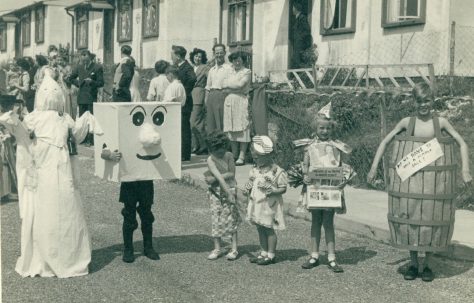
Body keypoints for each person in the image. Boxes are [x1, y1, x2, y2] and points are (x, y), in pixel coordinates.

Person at [367, 83, 472, 282]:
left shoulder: (440, 122)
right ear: (414, 101)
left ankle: (428, 265)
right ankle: (414, 264)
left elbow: (461, 142)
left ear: (432, 101)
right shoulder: (408, 122)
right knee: (410, 217)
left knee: (431, 219)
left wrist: (465, 170)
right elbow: (385, 142)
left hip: (435, 182)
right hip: (410, 182)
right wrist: (373, 167)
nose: (423, 105)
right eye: (419, 101)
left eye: (427, 100)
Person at [0, 74, 93, 278]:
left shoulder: (59, 118)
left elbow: (76, 134)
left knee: (63, 210)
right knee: (53, 211)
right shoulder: (45, 117)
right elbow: (20, 130)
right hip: (46, 172)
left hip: (59, 171)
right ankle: (52, 258)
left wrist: (85, 119)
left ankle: (65, 258)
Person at [299, 112, 352, 273]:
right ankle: (314, 255)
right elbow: (305, 165)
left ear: (332, 129)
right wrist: (305, 177)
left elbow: (343, 166)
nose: (324, 131)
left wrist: (345, 178)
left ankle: (331, 257)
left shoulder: (337, 146)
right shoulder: (309, 146)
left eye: (328, 128)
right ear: (315, 128)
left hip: (330, 190)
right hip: (315, 188)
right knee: (315, 222)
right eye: (321, 128)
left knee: (328, 223)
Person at [245, 136, 287, 265]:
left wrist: (274, 191)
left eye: (259, 157)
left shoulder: (277, 172)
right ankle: (263, 252)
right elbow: (251, 183)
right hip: (257, 204)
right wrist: (247, 188)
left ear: (269, 155)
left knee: (268, 228)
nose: (256, 160)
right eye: (254, 158)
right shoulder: (255, 170)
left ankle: (271, 254)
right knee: (260, 227)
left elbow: (283, 188)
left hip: (269, 205)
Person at [204, 131, 241, 260]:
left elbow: (231, 173)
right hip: (215, 193)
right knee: (216, 218)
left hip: (230, 188)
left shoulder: (229, 156)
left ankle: (234, 248)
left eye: (222, 150)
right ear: (210, 149)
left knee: (231, 218)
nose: (220, 153)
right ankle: (217, 248)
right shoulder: (210, 159)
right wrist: (217, 179)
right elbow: (220, 177)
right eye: (216, 151)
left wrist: (214, 179)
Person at [67, 49, 104, 144]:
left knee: (91, 119)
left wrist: (92, 82)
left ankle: (90, 139)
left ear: (90, 56)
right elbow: (70, 78)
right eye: (82, 58)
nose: (84, 61)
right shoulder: (79, 67)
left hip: (91, 97)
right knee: (82, 120)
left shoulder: (97, 67)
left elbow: (101, 83)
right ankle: (83, 138)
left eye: (85, 57)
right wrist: (78, 83)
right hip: (82, 97)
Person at [222, 51, 252, 165]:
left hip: (241, 100)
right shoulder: (230, 72)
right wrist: (232, 87)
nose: (237, 62)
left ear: (243, 60)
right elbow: (222, 84)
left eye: (239, 60)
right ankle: (234, 155)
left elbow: (241, 85)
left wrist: (229, 87)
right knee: (231, 127)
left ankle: (242, 156)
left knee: (242, 127)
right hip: (229, 101)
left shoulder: (246, 72)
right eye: (235, 60)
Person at [171, 45, 196, 161]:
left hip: (185, 102)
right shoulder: (177, 67)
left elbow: (192, 79)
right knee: (178, 127)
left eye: (173, 55)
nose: (171, 57)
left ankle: (185, 154)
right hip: (179, 102)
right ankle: (179, 152)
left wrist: (183, 92)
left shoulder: (187, 67)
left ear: (178, 56)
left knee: (184, 128)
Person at [205, 44, 233, 133]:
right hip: (211, 97)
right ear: (214, 54)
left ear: (225, 53)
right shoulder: (211, 70)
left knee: (222, 122)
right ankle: (213, 145)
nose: (219, 55)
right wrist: (206, 100)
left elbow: (232, 85)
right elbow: (208, 87)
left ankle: (223, 145)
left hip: (223, 96)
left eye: (221, 52)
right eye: (217, 53)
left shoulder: (229, 68)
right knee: (210, 123)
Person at [190, 48, 209, 155]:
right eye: (196, 56)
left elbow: (210, 80)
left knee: (196, 123)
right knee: (191, 124)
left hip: (198, 94)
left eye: (200, 57)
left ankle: (204, 145)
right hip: (190, 95)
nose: (197, 58)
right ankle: (196, 145)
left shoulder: (205, 68)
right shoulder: (191, 67)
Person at [292, 1, 313, 68]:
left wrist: (300, 38)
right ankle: (296, 78)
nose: (292, 9)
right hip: (296, 45)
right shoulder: (297, 18)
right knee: (296, 62)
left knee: (299, 63)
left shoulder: (302, 18)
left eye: (293, 7)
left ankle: (300, 77)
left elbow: (307, 30)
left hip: (301, 45)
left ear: (295, 8)